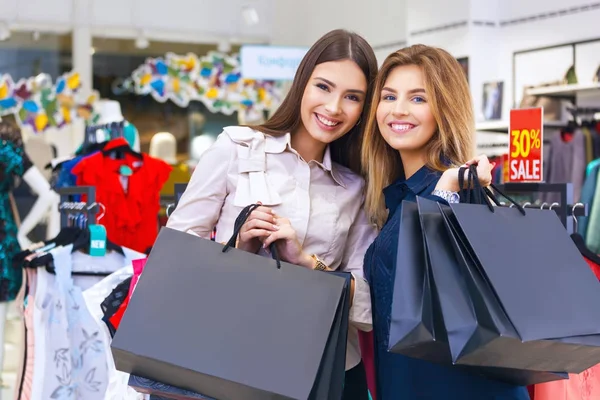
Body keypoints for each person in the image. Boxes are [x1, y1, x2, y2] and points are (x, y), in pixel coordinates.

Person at [167, 29, 379, 400]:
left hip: (321, 370)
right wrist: (239, 247)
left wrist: (306, 262)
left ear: (365, 108)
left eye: (352, 97)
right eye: (324, 87)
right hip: (227, 357)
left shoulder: (357, 187)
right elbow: (174, 260)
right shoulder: (236, 148)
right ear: (302, 84)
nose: (333, 108)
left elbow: (366, 307)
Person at [360, 44, 531, 399]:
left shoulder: (458, 189)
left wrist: (448, 186)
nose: (398, 110)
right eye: (389, 96)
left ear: (444, 110)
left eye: (418, 99)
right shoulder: (402, 196)